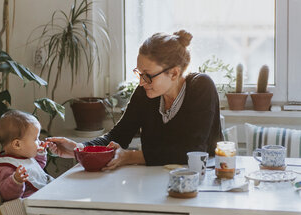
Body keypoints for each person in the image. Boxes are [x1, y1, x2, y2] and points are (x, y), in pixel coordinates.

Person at [49, 30, 223, 170]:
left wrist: (131, 156)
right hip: (152, 179)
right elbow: (118, 136)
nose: (141, 82)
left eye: (147, 75)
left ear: (174, 73)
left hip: (200, 181)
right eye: (139, 74)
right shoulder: (145, 92)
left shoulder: (201, 86)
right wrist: (79, 149)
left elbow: (193, 150)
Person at [0, 109, 53, 201]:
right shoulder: (6, 167)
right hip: (35, 205)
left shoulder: (23, 156)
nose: (39, 142)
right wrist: (16, 180)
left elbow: (37, 168)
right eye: (35, 139)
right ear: (17, 144)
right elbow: (7, 195)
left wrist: (40, 153)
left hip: (43, 196)